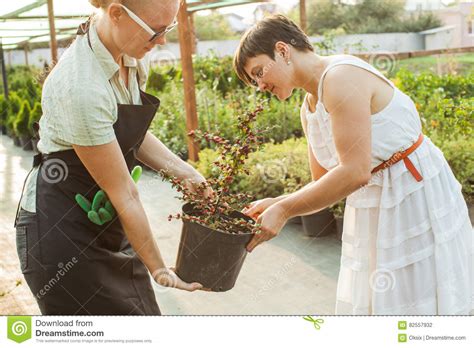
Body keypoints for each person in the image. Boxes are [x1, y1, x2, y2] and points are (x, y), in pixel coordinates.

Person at [233, 15, 473, 315]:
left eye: (258, 73)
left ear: (282, 51)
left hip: (412, 193)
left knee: (420, 296)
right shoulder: (307, 109)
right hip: (374, 205)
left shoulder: (340, 77)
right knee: (386, 302)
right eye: (254, 81)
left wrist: (284, 210)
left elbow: (355, 172)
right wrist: (276, 202)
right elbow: (324, 182)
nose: (260, 85)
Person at [14, 0, 206, 315]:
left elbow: (129, 134)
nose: (163, 42)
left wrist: (188, 175)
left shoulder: (130, 56)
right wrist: (160, 270)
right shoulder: (81, 88)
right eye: (156, 31)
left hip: (100, 217)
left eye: (168, 28)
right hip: (61, 233)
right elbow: (126, 195)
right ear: (116, 13)